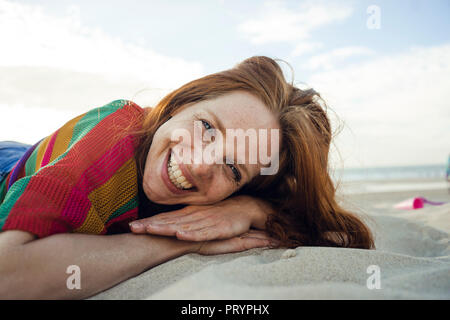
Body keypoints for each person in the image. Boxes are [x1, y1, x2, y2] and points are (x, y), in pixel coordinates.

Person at [0, 56, 374, 299]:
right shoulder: (114, 134)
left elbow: (334, 233)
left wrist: (250, 208)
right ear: (179, 105)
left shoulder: (230, 199)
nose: (199, 164)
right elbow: (8, 277)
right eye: (207, 127)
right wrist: (179, 244)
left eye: (232, 168)